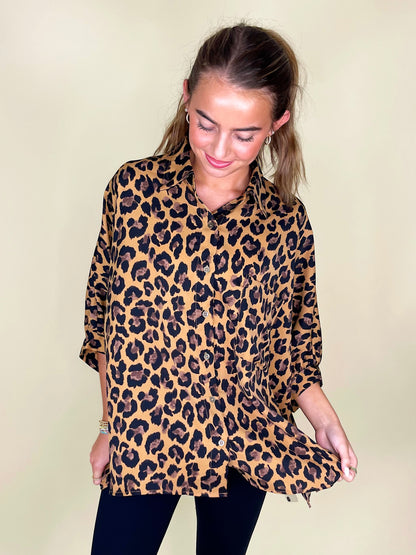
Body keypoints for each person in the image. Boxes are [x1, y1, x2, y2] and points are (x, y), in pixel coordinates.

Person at [80, 23, 357, 555]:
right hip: (147, 434)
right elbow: (105, 324)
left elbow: (292, 352)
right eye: (206, 124)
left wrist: (325, 422)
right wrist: (112, 427)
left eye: (244, 135)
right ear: (187, 98)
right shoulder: (133, 193)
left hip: (244, 440)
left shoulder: (285, 224)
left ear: (277, 123)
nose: (220, 148)